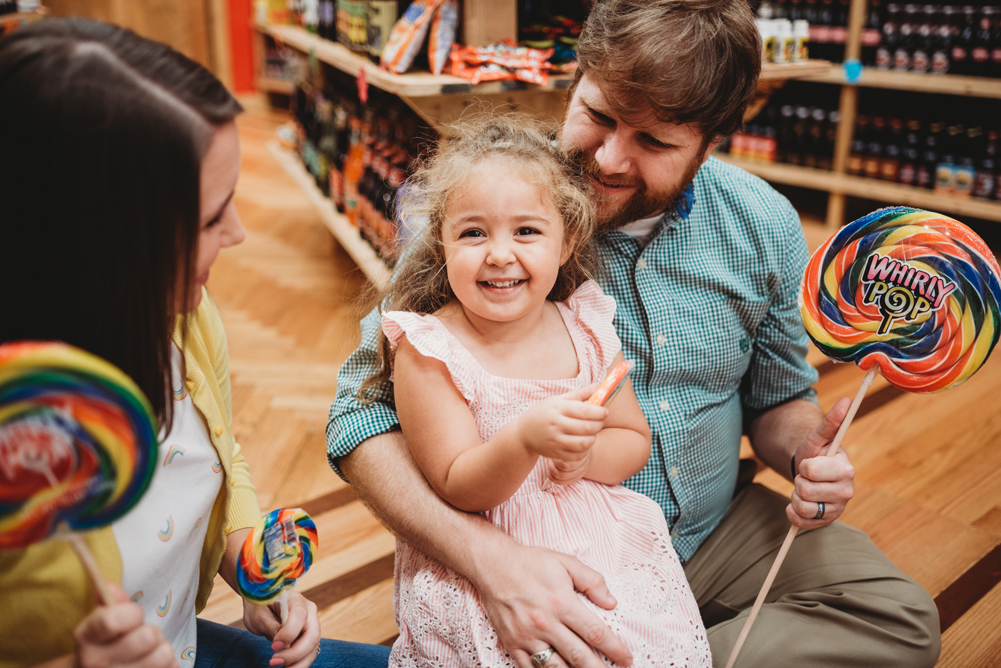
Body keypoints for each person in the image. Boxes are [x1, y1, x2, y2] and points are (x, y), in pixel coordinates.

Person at [327, 1, 941, 667]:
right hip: (543, 554)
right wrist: (489, 560)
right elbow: (355, 420)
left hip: (711, 531)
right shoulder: (497, 212)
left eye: (654, 142)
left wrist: (805, 456)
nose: (610, 161)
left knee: (900, 619)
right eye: (599, 115)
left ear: (710, 144)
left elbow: (778, 401)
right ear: (575, 81)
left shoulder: (762, 223)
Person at [0, 19, 390, 668]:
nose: (238, 234)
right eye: (212, 217)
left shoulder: (185, 315)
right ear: (104, 240)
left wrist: (242, 553)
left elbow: (217, 451)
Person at [357, 117, 712, 667]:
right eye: (473, 233)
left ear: (567, 240)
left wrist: (584, 456)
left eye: (526, 231)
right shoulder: (429, 348)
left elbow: (632, 438)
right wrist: (523, 439)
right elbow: (457, 485)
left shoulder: (587, 325)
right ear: (443, 242)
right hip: (489, 562)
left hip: (599, 550)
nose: (499, 254)